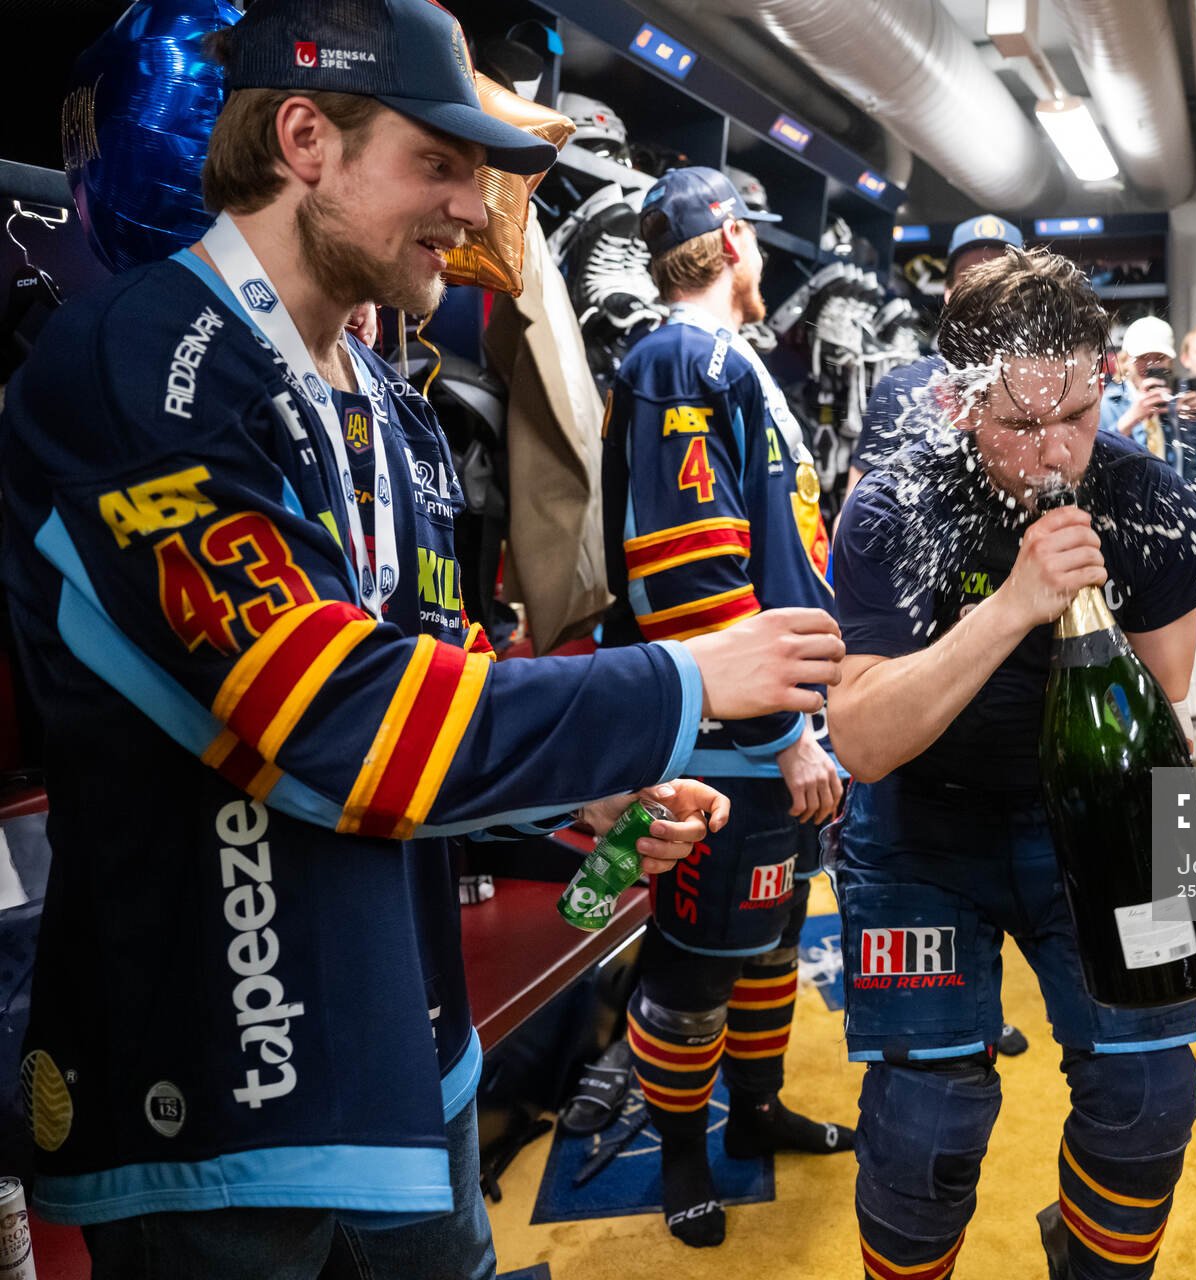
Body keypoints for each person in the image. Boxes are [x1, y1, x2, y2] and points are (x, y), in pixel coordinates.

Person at [0, 2, 842, 1273]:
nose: (477, 206)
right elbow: (336, 718)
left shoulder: (383, 407)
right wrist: (683, 676)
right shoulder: (138, 367)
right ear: (304, 140)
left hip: (411, 1071)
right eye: (438, 163)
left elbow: (434, 690)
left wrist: (591, 794)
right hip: (220, 1111)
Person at [827, 248, 1196, 1279]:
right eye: (1021, 424)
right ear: (957, 400)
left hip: (1101, 809)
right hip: (923, 819)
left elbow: (1170, 683)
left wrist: (1094, 594)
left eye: (1079, 414)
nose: (1058, 453)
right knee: (926, 1124)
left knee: (1149, 1097)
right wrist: (1011, 606)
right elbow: (861, 739)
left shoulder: (1149, 494)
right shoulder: (891, 505)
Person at [601, 166, 856, 1248]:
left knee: (767, 947)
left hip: (770, 738)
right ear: (736, 238)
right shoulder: (685, 358)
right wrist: (789, 733)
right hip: (728, 748)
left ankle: (752, 1115)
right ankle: (684, 1156)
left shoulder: (721, 360)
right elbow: (694, 582)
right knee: (695, 965)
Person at [845, 213, 1025, 496]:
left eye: (1001, 275)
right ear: (949, 293)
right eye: (971, 276)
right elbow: (854, 516)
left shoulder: (1055, 390)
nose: (986, 288)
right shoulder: (901, 390)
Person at [1100, 314, 1177, 456]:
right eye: (1142, 357)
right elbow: (1095, 457)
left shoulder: (1176, 400)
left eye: (1160, 358)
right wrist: (1130, 420)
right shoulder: (1107, 403)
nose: (1150, 364)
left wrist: (1191, 422)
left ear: (1170, 363)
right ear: (1125, 360)